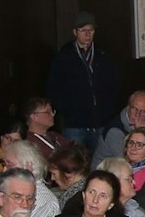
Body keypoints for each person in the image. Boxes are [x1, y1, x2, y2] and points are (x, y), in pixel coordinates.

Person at [45, 12, 119, 148]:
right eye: (83, 30)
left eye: (91, 30)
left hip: (100, 122)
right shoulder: (64, 57)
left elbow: (113, 85)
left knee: (100, 161)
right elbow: (54, 88)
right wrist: (68, 111)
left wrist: (108, 110)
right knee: (74, 161)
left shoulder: (102, 55)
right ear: (75, 32)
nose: (87, 34)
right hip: (75, 125)